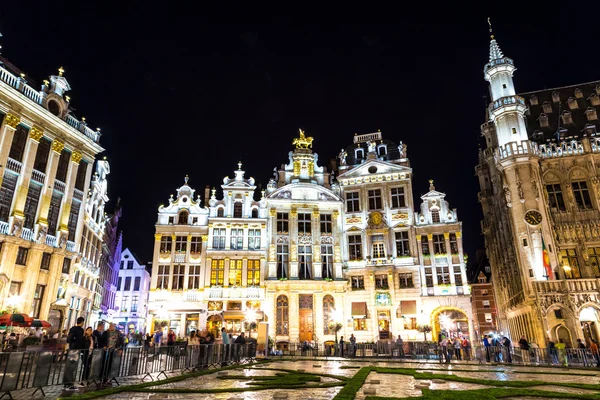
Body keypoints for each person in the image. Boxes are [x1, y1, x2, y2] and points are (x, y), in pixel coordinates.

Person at [63, 317, 85, 390]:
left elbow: (69, 339)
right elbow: (80, 340)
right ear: (82, 322)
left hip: (71, 349)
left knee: (69, 367)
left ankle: (67, 383)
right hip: (76, 350)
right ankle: (70, 384)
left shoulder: (72, 328)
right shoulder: (80, 330)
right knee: (72, 367)